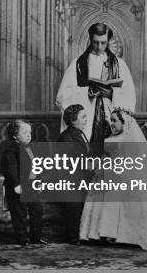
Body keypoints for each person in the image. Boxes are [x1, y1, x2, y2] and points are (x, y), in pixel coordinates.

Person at [79, 108, 147, 252]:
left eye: (115, 121)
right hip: (105, 173)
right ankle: (102, 233)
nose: (111, 123)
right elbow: (106, 155)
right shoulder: (111, 137)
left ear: (124, 122)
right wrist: (97, 166)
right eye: (110, 120)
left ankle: (120, 235)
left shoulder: (128, 139)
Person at [55, 23, 135, 156]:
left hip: (110, 116)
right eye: (95, 42)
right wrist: (86, 93)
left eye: (103, 43)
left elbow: (130, 96)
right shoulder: (78, 64)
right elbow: (62, 96)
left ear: (108, 41)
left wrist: (112, 94)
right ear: (90, 40)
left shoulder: (119, 65)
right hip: (88, 115)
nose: (99, 47)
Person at [0, 120, 45, 246]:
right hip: (19, 187)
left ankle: (36, 237)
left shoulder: (30, 148)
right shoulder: (11, 150)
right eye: (25, 133)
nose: (29, 135)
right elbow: (11, 169)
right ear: (15, 136)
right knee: (19, 213)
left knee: (37, 210)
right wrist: (16, 185)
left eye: (30, 132)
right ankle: (22, 238)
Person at [56, 104, 93, 245]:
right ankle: (72, 237)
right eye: (83, 117)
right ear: (72, 120)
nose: (86, 120)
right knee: (73, 208)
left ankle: (81, 234)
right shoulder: (65, 138)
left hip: (81, 177)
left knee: (80, 207)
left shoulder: (80, 133)